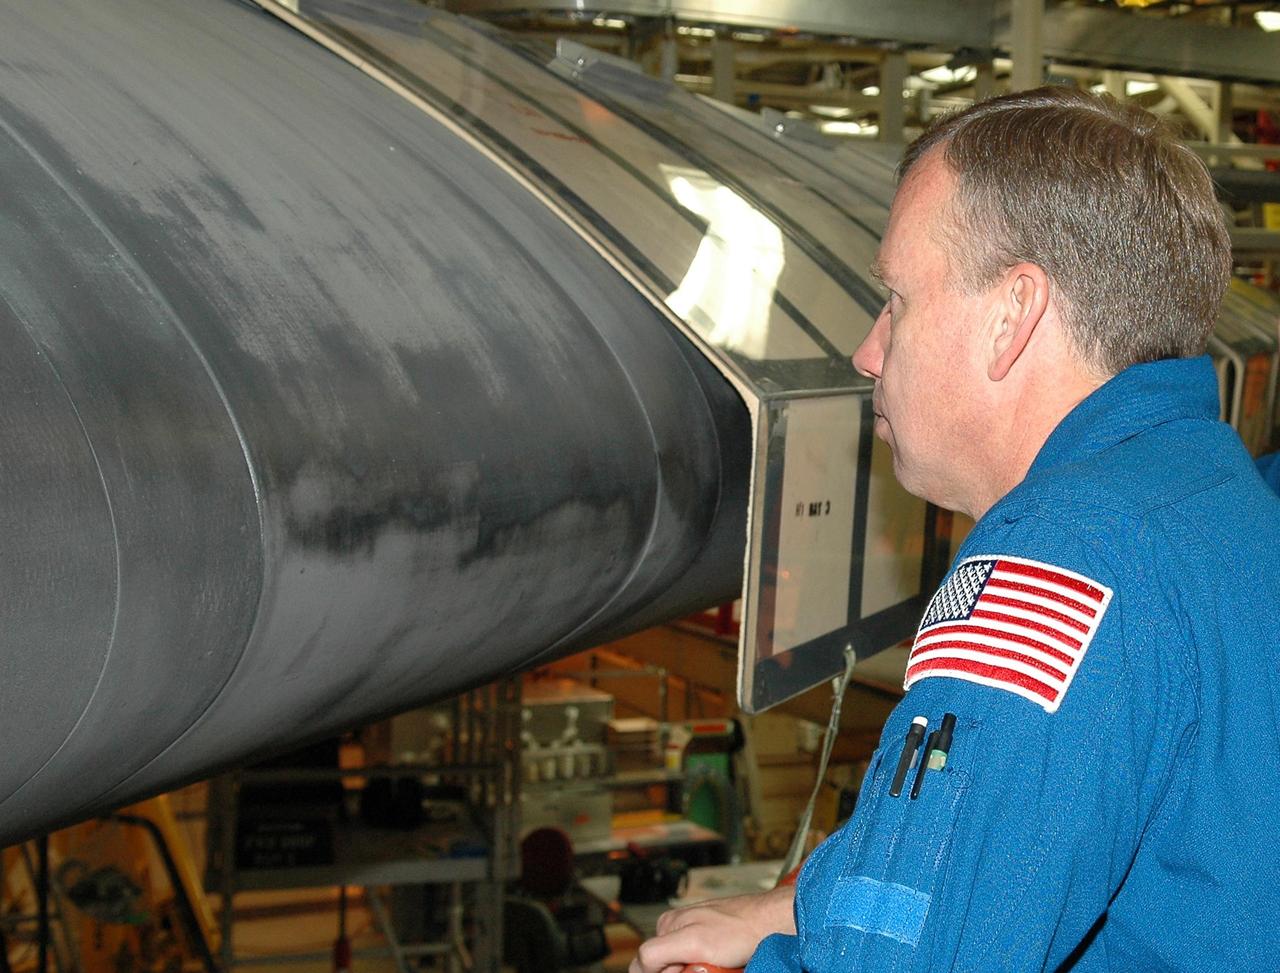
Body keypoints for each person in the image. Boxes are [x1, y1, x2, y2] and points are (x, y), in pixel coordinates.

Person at [631, 86, 1280, 973]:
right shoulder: (1217, 496)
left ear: (1013, 314)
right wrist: (810, 906)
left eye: (896, 298)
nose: (868, 348)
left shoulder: (1059, 555)